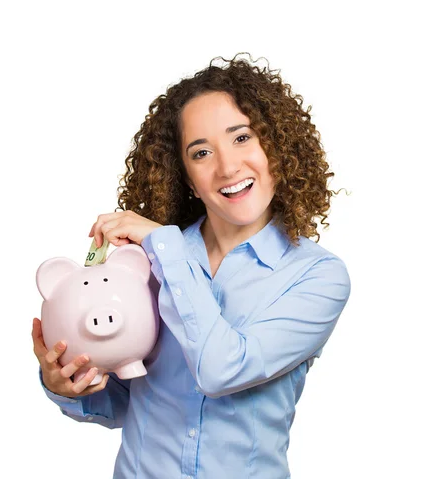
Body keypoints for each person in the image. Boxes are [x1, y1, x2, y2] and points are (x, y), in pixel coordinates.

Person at [32, 53, 351, 478]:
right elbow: (126, 401)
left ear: (277, 148)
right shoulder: (145, 264)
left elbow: (222, 370)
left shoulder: (318, 277)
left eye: (242, 138)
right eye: (201, 153)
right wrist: (67, 387)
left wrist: (165, 248)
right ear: (187, 178)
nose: (227, 166)